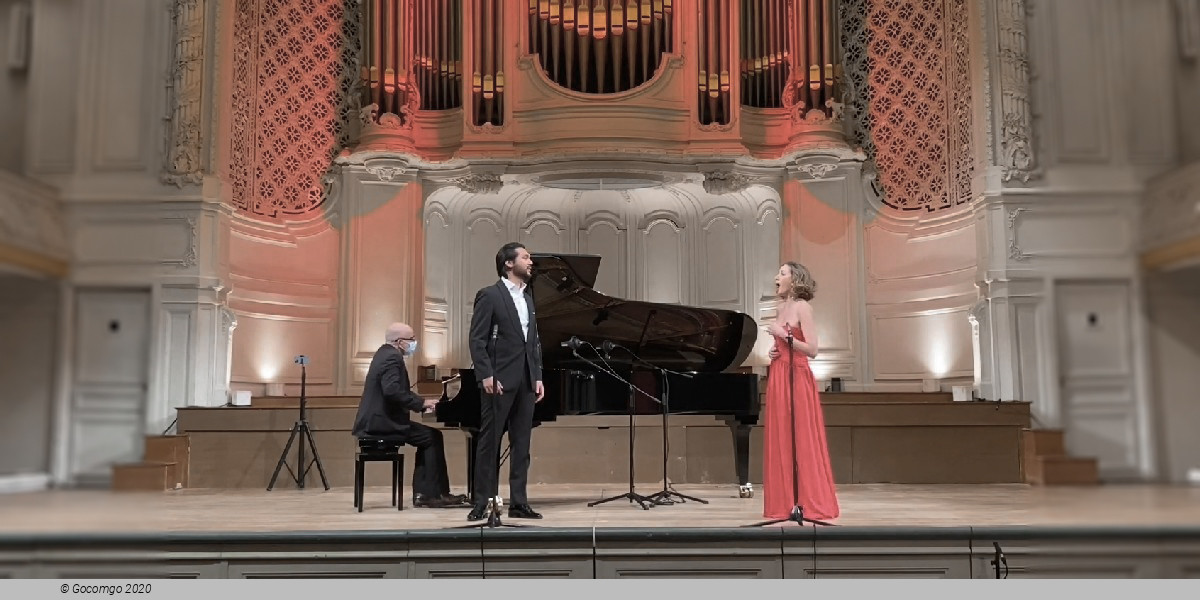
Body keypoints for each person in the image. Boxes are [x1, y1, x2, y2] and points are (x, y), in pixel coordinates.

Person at [465, 241, 545, 521]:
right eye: (526, 257)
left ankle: (519, 502)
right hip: (498, 379)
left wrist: (537, 376)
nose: (531, 261)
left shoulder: (528, 297)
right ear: (508, 263)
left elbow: (532, 343)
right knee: (490, 443)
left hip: (525, 381)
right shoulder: (490, 295)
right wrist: (486, 373)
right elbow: (477, 339)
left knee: (522, 445)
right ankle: (483, 502)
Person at [352, 322, 468, 508]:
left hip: (376, 421)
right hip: (381, 424)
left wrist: (420, 403)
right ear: (399, 342)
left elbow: (393, 390)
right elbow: (392, 391)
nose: (414, 342)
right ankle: (433, 495)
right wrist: (421, 403)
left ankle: (426, 493)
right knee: (432, 437)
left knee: (430, 436)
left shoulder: (383, 354)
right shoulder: (392, 358)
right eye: (411, 339)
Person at [762, 261, 840, 521]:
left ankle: (809, 501)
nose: (776, 277)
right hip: (779, 374)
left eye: (781, 273)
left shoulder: (803, 307)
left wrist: (782, 337)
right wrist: (773, 350)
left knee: (801, 437)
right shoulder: (780, 308)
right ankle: (785, 502)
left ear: (794, 280)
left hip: (797, 376)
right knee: (782, 437)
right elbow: (783, 345)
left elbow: (813, 349)